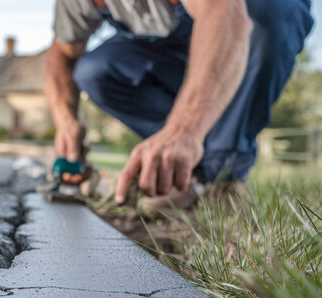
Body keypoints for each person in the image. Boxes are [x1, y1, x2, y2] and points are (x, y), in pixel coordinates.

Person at [45, 0, 314, 211]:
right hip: (173, 60)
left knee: (268, 10)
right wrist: (65, 121)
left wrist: (185, 128)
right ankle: (190, 167)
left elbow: (224, 12)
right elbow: (62, 55)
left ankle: (223, 179)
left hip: (239, 35)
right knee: (94, 70)